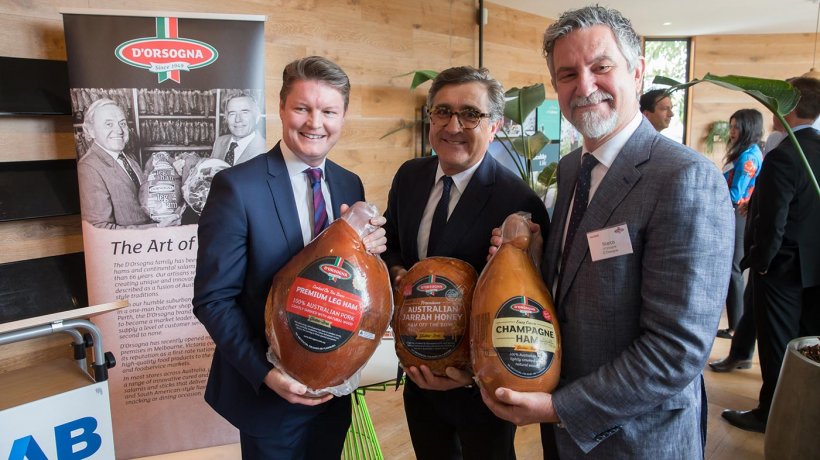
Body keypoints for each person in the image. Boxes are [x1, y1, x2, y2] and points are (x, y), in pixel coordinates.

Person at [481, 6, 734, 458]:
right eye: (567, 74)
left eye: (601, 67)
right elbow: (581, 277)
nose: (584, 86)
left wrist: (559, 407)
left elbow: (675, 351)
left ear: (637, 72)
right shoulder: (573, 165)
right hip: (563, 435)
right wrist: (533, 259)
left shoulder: (685, 178)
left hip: (637, 438)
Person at [192, 56, 387, 459]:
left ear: (343, 116)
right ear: (281, 109)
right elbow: (213, 299)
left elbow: (345, 280)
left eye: (329, 111)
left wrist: (370, 257)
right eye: (302, 108)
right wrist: (267, 375)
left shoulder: (349, 183)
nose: (315, 123)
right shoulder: (237, 188)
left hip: (334, 392)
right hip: (270, 398)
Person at [382, 66, 550, 459]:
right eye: (442, 111)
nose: (453, 125)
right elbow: (391, 246)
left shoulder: (518, 201)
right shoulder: (409, 176)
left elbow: (526, 308)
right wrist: (398, 274)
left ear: (495, 125)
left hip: (481, 391)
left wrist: (472, 376)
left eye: (470, 114)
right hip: (418, 372)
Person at [722, 76, 820, 434]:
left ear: (788, 106)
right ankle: (806, 414)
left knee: (779, 344)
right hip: (814, 269)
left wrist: (760, 264)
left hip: (783, 268)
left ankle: (771, 415)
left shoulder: (784, 156)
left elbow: (773, 220)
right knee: (810, 342)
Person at [78, 98, 173, 229]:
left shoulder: (128, 157)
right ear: (91, 131)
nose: (119, 131)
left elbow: (139, 199)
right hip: (128, 246)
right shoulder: (88, 168)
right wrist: (156, 228)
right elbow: (99, 228)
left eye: (122, 124)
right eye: (109, 124)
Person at [716, 109, 764, 340]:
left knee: (734, 270)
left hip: (738, 215)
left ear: (748, 128)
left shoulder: (749, 156)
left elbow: (736, 193)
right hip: (734, 212)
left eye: (736, 127)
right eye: (731, 126)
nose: (732, 131)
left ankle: (736, 326)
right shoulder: (744, 152)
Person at [211, 94, 267, 166]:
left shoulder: (266, 150)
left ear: (257, 117)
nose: (238, 119)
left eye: (245, 112)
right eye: (232, 113)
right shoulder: (219, 142)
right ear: (226, 118)